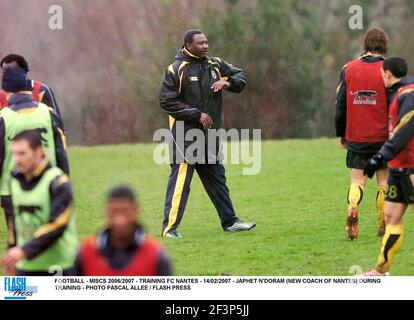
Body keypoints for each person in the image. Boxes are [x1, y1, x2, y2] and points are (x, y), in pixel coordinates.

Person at [159, 29, 256, 238]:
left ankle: (230, 222)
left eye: (206, 42)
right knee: (181, 183)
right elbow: (166, 101)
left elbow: (240, 75)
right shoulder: (176, 69)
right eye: (201, 43)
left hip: (211, 136)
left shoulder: (216, 64)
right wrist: (196, 115)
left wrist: (228, 83)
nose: (206, 46)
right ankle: (169, 229)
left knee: (217, 180)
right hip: (185, 137)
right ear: (188, 45)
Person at [0, 67, 69, 247]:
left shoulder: (3, 117)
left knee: (18, 239)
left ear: (6, 90)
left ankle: (21, 263)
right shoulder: (48, 113)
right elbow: (61, 149)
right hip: (50, 183)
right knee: (51, 231)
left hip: (11, 189)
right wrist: (64, 180)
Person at [335, 27, 389, 240]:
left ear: (365, 44)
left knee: (357, 180)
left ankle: (353, 206)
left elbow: (340, 105)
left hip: (356, 136)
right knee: (383, 182)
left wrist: (342, 133)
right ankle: (382, 224)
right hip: (383, 137)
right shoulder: (389, 69)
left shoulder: (348, 68)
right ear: (384, 45)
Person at [1, 130, 77, 276]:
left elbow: (57, 224)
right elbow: (14, 222)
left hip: (59, 265)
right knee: (13, 297)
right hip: (24, 265)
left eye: (22, 153)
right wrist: (11, 254)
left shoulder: (58, 183)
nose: (17, 159)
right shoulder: (13, 180)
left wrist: (23, 250)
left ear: (39, 151)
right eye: (14, 154)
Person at [363, 57, 414, 276]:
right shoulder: (398, 93)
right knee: (391, 217)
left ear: (388, 73)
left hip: (411, 167)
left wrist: (380, 155)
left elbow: (405, 128)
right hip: (397, 168)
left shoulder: (408, 94)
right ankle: (380, 271)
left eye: (381, 74)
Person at [75, 186, 172, 276]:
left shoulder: (155, 255)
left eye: (126, 212)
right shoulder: (86, 253)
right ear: (106, 212)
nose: (120, 221)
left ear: (136, 211)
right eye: (114, 212)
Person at [0, 54, 63, 119]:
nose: (7, 75)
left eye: (11, 71)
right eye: (4, 72)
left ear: (23, 70)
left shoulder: (41, 90)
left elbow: (56, 121)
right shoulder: (1, 96)